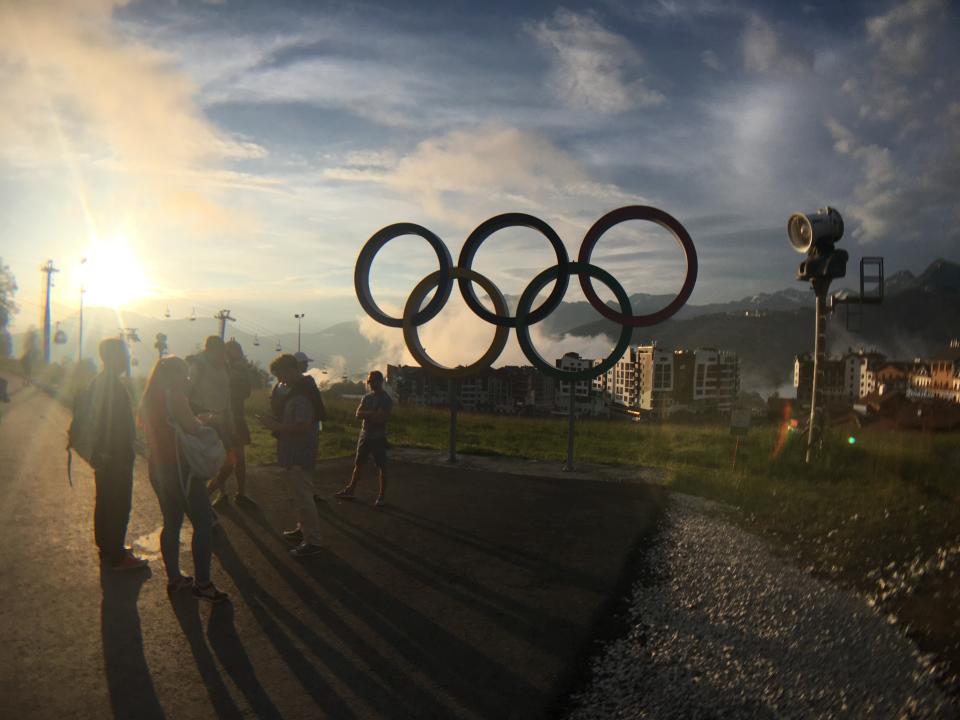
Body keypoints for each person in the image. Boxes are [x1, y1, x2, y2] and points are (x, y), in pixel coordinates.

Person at [139, 356, 229, 602]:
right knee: (202, 524)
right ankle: (203, 583)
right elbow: (191, 427)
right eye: (184, 374)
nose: (187, 378)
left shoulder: (148, 397)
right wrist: (208, 420)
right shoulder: (174, 395)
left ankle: (175, 579)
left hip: (157, 466)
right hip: (180, 468)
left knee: (172, 523)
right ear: (175, 374)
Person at [89, 338, 148, 570]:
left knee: (105, 501)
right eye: (124, 354)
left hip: (104, 455)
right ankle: (116, 556)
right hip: (115, 455)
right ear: (114, 357)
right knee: (118, 503)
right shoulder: (112, 385)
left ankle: (108, 549)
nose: (126, 359)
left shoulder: (101, 381)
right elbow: (115, 424)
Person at [260, 353, 324, 558]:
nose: (281, 381)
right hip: (295, 449)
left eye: (281, 376)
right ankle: (303, 529)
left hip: (299, 451)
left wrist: (275, 426)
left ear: (291, 370)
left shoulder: (302, 394)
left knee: (303, 497)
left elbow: (302, 425)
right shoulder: (302, 389)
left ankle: (313, 541)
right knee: (298, 495)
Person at [335, 370, 392, 507]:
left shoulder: (386, 399)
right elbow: (358, 414)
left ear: (379, 381)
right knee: (359, 464)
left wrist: (367, 414)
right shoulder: (367, 397)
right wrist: (372, 413)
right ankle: (351, 490)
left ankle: (381, 496)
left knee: (381, 466)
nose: (370, 383)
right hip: (365, 435)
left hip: (378, 437)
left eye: (372, 381)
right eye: (369, 381)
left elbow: (381, 418)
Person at [206, 340, 252, 505]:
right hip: (222, 417)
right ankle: (222, 493)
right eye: (234, 350)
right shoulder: (221, 370)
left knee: (236, 458)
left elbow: (246, 392)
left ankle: (237, 493)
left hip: (235, 417)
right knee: (223, 458)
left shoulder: (238, 369)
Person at [189, 336, 235, 499]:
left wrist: (229, 415)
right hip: (203, 418)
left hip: (221, 418)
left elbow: (226, 392)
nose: (222, 355)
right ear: (209, 350)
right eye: (219, 351)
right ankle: (201, 497)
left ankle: (206, 493)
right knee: (204, 462)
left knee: (229, 462)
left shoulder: (225, 366)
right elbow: (188, 391)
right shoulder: (198, 365)